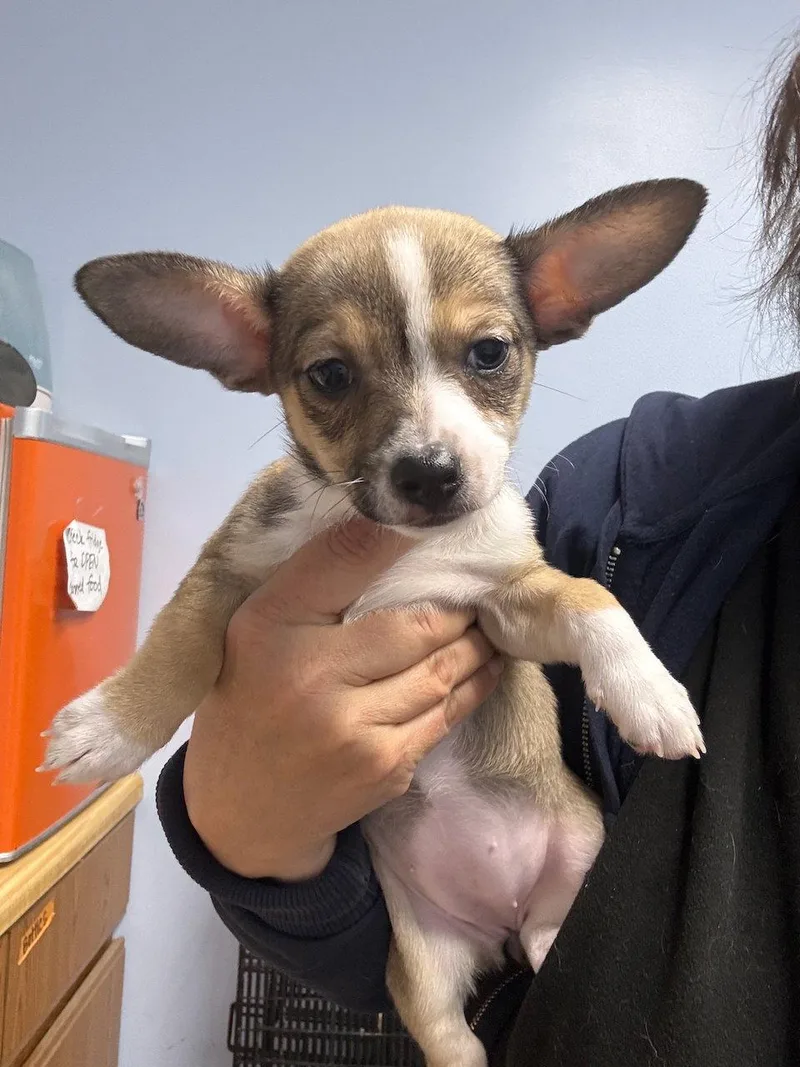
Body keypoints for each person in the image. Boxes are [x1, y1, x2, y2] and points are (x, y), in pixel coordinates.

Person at [156, 42, 800, 1067]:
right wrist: (242, 823)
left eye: (485, 355)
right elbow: (355, 918)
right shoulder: (617, 498)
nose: (426, 439)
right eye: (331, 376)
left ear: (559, 302)